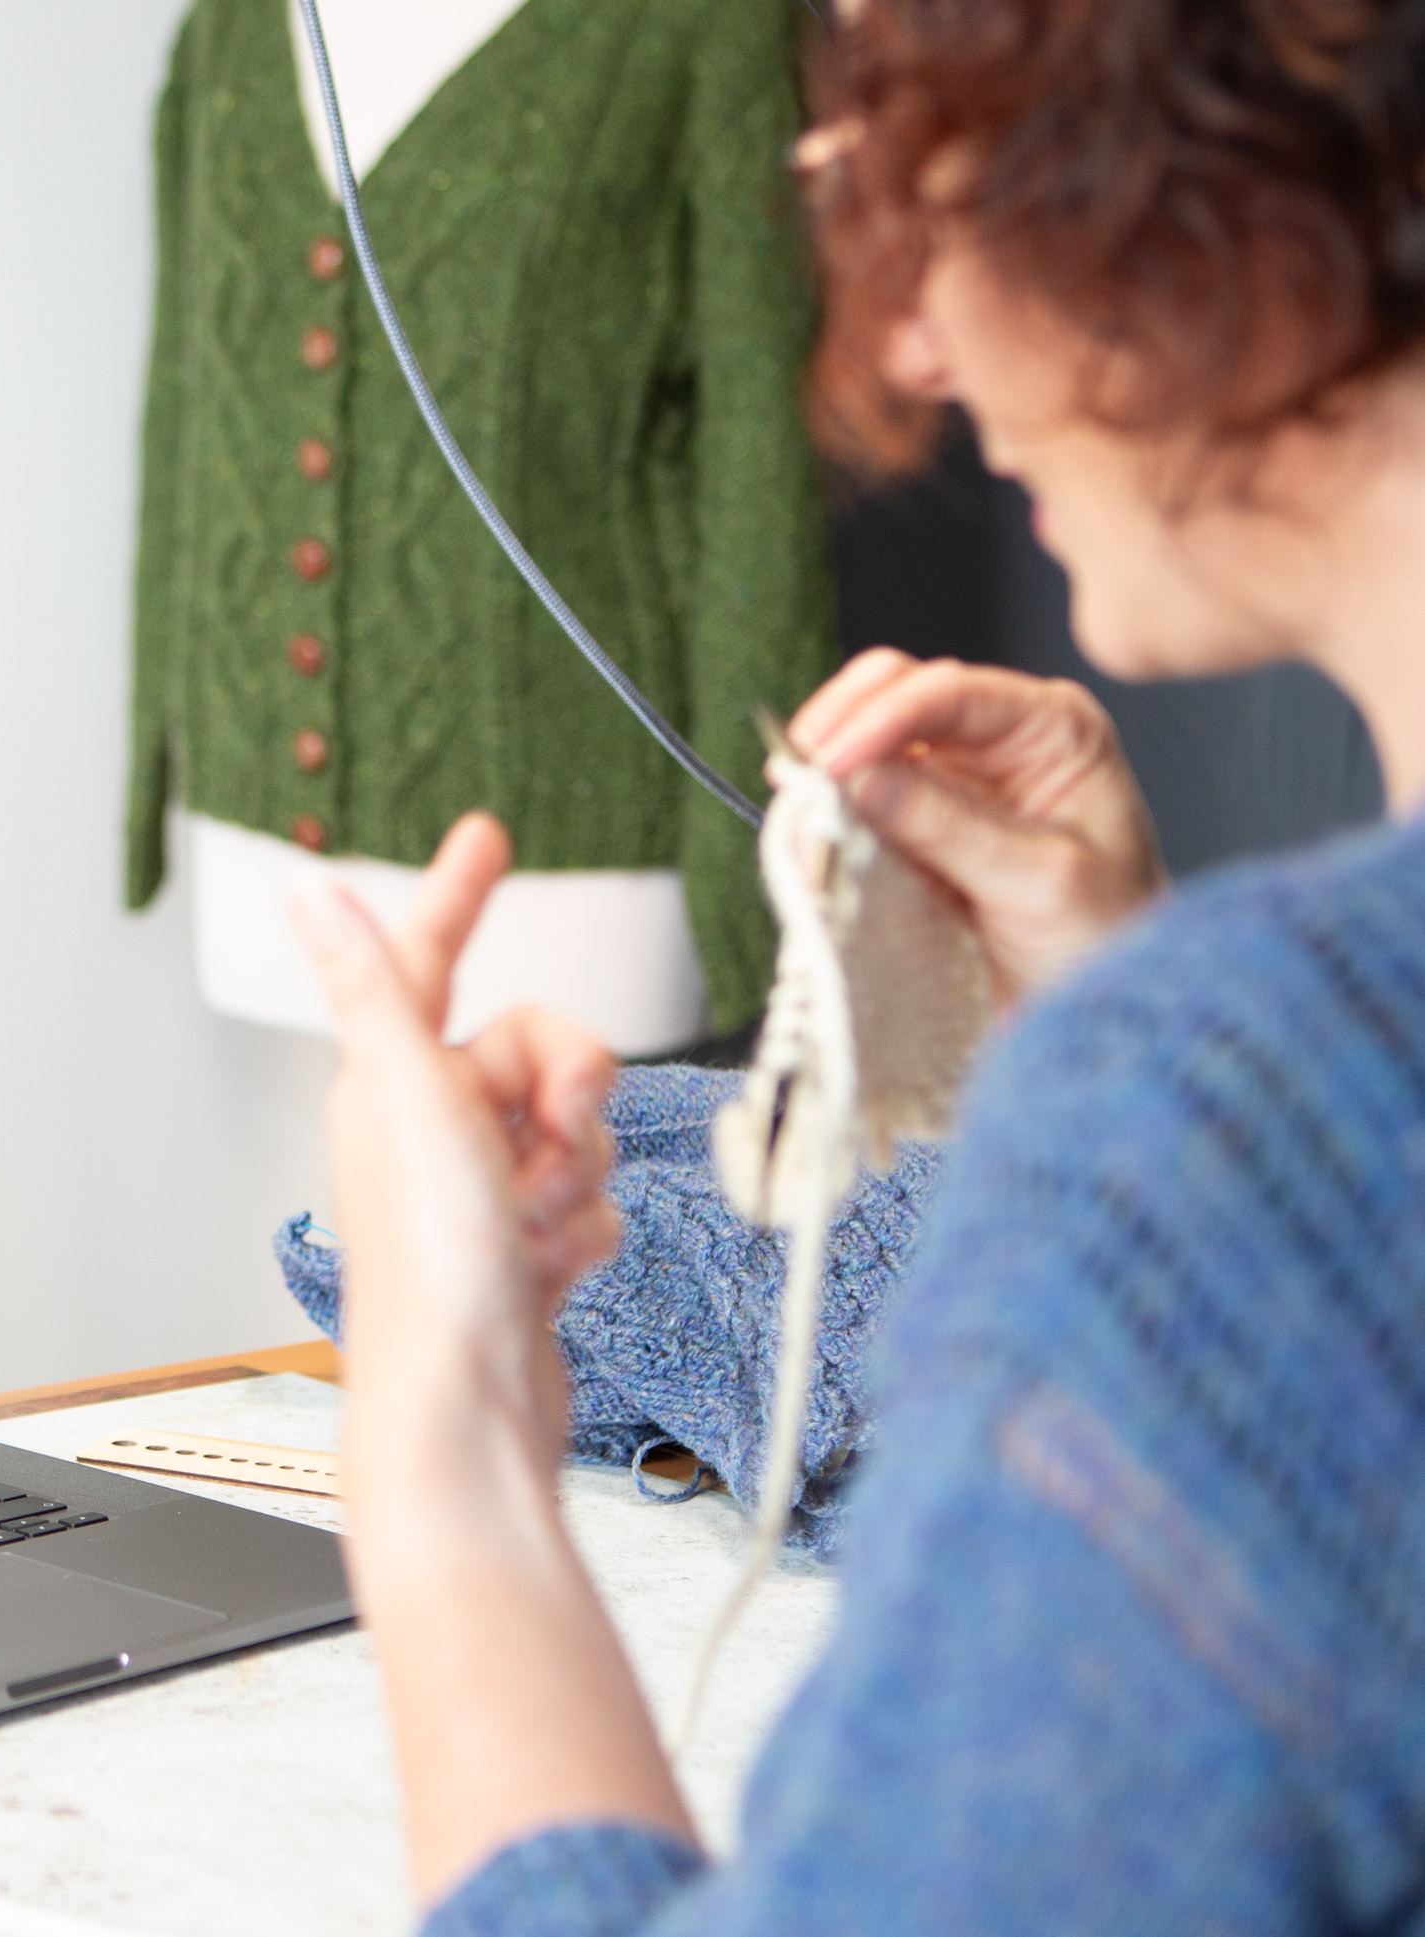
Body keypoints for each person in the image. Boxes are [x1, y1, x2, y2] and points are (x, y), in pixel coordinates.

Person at [297, 0, 1425, 1927]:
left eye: (934, 187)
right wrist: (1108, 985)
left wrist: (446, 1441)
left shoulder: (1247, 1104)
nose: (912, 339)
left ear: (1241, 176)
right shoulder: (1265, 1086)